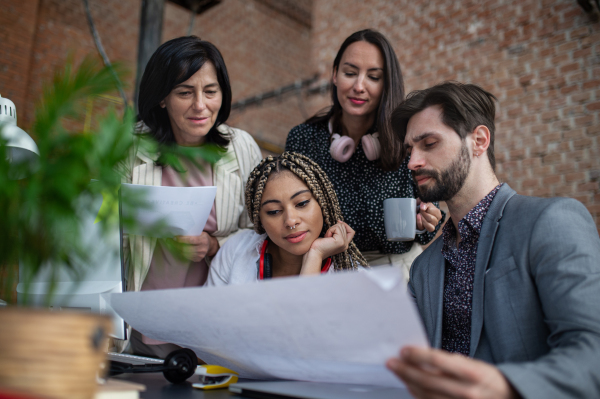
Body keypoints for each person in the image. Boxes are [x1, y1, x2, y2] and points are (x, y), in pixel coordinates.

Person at [386, 81, 600, 398]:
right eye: (409, 151)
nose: (413, 162)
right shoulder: (423, 268)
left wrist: (507, 387)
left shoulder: (552, 221)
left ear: (479, 140)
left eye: (429, 144)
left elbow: (593, 351)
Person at [116, 36, 262, 356]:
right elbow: (103, 231)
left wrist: (213, 245)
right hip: (143, 321)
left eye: (210, 91)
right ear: (162, 98)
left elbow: (259, 231)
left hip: (211, 323)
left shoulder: (241, 148)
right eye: (185, 92)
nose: (200, 105)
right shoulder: (128, 147)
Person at [285, 29, 444, 279]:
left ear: (386, 84)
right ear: (335, 75)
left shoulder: (407, 137)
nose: (359, 86)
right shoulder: (304, 139)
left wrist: (427, 222)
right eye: (350, 73)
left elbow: (427, 212)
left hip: (399, 270)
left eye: (373, 77)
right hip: (331, 270)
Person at [206, 152, 368, 286]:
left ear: (323, 203)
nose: (291, 221)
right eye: (274, 211)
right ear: (259, 218)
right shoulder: (235, 250)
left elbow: (299, 322)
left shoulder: (355, 279)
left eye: (302, 203)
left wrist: (315, 255)